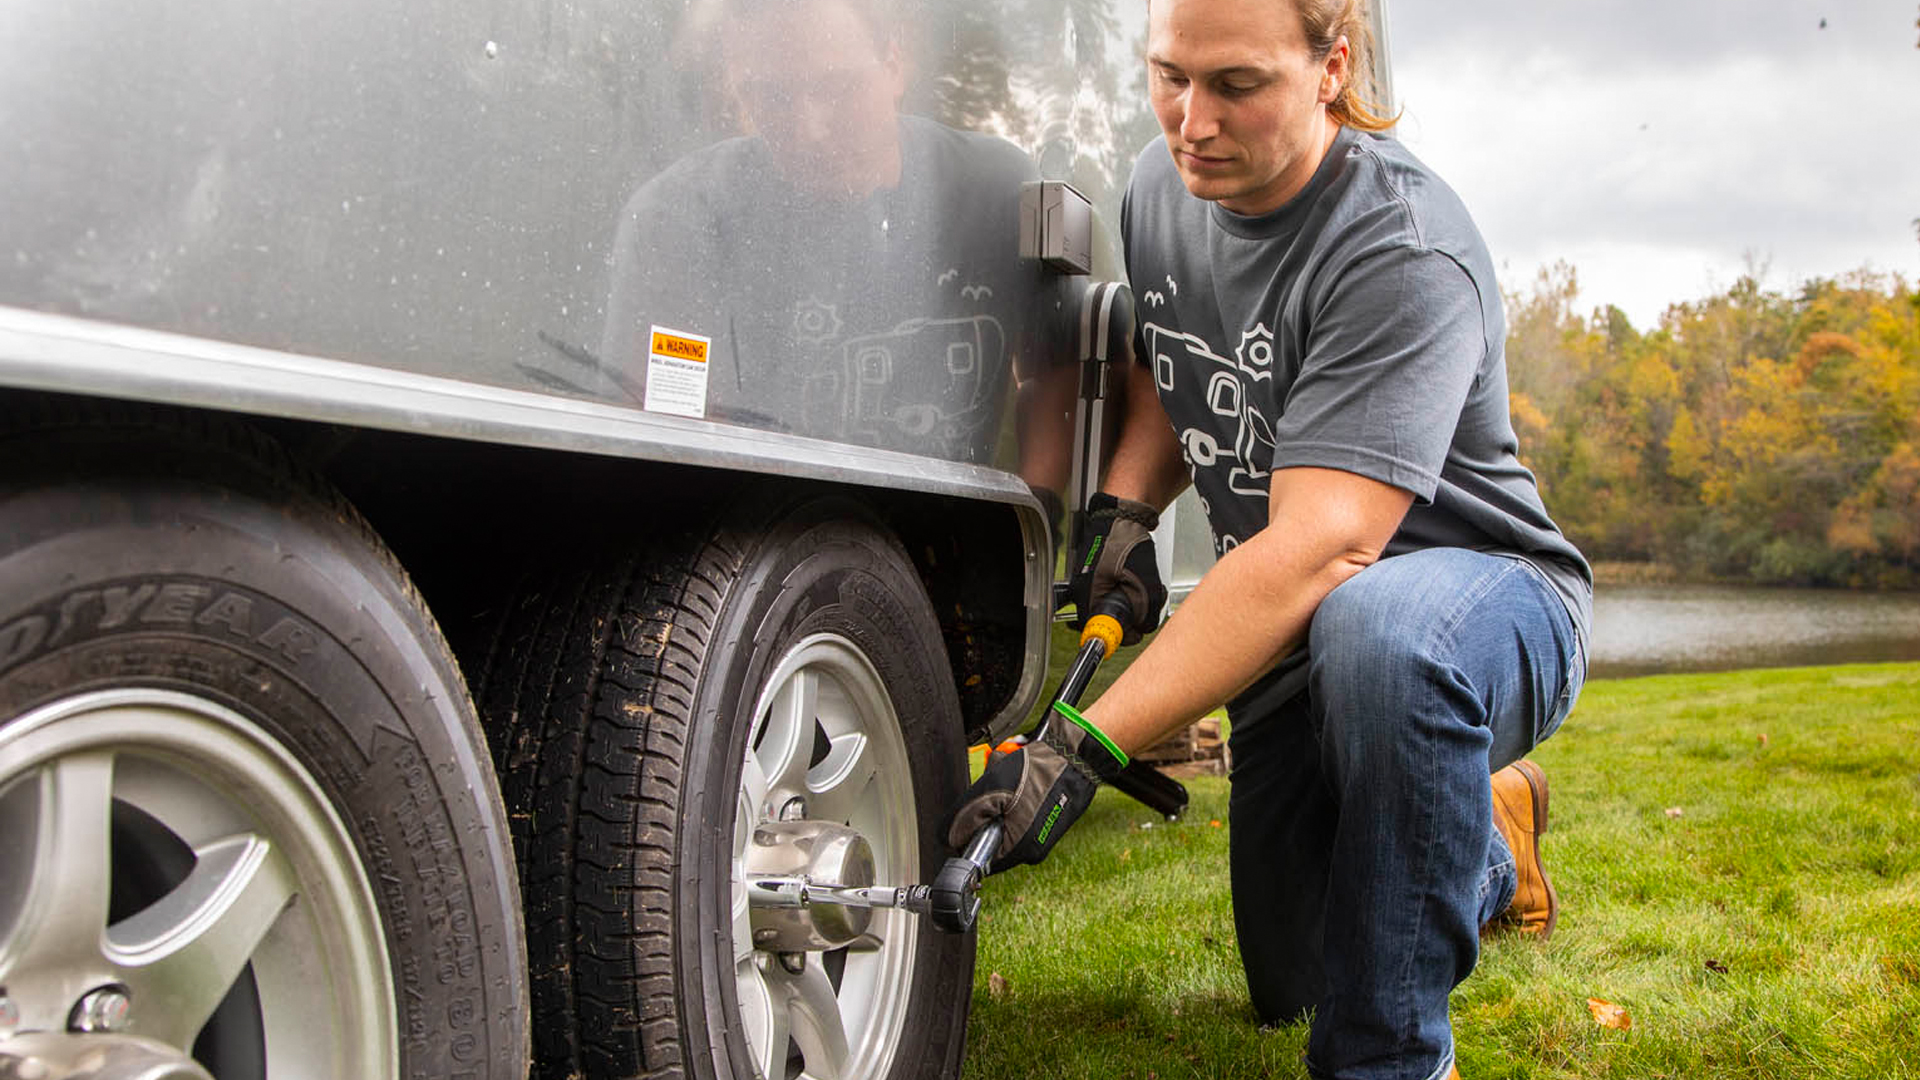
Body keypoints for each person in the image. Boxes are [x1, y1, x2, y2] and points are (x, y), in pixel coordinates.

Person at [946, 0, 1592, 1077]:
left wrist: (1077, 748)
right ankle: (1487, 836)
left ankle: (1389, 1058)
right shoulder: (1164, 185)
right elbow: (1175, 355)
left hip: (1474, 599)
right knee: (1296, 973)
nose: (1192, 120)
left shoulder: (1401, 249)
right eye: (1169, 77)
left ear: (1331, 66)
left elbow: (1322, 552)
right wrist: (1127, 510)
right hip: (1300, 623)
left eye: (1236, 86)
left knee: (1377, 633)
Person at [598, 0, 1072, 469]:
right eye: (769, 96)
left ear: (894, 61)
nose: (811, 130)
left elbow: (1057, 376)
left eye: (838, 87)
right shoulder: (681, 219)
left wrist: (1035, 520)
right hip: (755, 540)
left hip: (945, 538)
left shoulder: (1000, 189)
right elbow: (652, 435)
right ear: (736, 91)